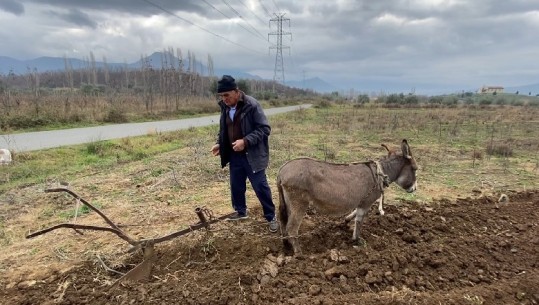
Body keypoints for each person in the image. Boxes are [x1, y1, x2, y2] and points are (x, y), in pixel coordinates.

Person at [210, 75, 279, 233]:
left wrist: (245, 141)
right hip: (235, 155)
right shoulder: (225, 107)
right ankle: (241, 212)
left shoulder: (251, 105)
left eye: (226, 95)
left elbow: (264, 129)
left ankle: (271, 216)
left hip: (252, 156)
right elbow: (224, 129)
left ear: (236, 91)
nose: (224, 99)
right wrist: (220, 144)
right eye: (221, 96)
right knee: (236, 186)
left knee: (260, 187)